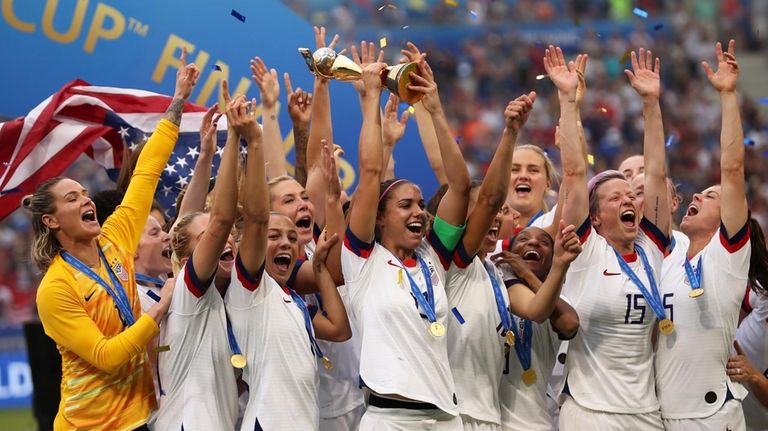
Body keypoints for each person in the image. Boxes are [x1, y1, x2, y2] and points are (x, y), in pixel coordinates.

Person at [28, 48, 196, 431]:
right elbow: (106, 356)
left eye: (84, 193)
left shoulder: (115, 236)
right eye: (73, 198)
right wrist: (161, 306)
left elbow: (146, 173)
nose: (87, 199)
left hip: (141, 415)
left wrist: (177, 102)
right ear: (51, 220)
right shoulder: (55, 288)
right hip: (91, 426)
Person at [548, 45, 671, 429]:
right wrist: (569, 101)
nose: (628, 200)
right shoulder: (587, 249)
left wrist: (651, 105)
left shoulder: (651, 247)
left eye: (630, 196)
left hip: (646, 412)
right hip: (591, 413)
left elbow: (655, 174)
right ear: (596, 218)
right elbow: (572, 173)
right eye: (614, 197)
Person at [342, 57, 468, 429]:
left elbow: (460, 188)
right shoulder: (363, 259)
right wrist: (370, 102)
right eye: (405, 205)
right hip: (391, 419)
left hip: (446, 419)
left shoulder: (433, 257)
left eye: (420, 204)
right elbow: (368, 173)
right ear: (379, 217)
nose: (419, 212)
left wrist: (435, 110)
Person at [655, 40, 757, 430]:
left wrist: (728, 96)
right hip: (661, 415)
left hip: (712, 417)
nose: (698, 194)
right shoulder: (668, 261)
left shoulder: (728, 256)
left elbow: (732, 169)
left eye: (711, 196)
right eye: (699, 192)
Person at [227, 133, 351, 429]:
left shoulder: (293, 300)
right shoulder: (249, 284)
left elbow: (339, 329)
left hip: (307, 419)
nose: (286, 243)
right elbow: (256, 218)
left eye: (291, 238)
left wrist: (318, 265)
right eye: (274, 236)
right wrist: (255, 141)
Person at [153, 83, 243, 431]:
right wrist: (232, 138)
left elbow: (195, 226)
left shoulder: (221, 295)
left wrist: (206, 155)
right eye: (208, 240)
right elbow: (216, 222)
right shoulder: (190, 292)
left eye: (227, 237)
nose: (224, 240)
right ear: (184, 259)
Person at [492, 227, 580, 430]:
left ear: (550, 263)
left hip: (531, 422)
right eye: (524, 239)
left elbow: (569, 324)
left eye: (544, 242)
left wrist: (526, 273)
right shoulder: (491, 289)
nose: (533, 243)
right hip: (485, 419)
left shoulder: (557, 302)